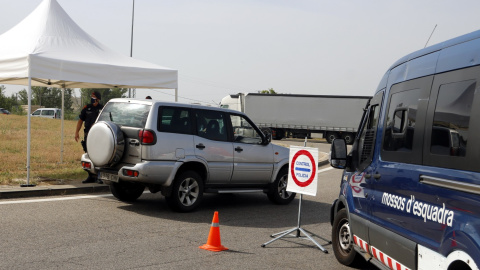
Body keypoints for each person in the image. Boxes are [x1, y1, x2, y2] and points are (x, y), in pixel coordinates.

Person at [75, 91, 104, 184]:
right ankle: (91, 176)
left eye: (94, 97)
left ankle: (99, 176)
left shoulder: (102, 109)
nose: (92, 98)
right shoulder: (87, 108)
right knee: (89, 155)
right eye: (91, 97)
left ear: (98, 99)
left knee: (99, 155)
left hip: (99, 135)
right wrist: (76, 132)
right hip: (88, 134)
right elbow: (80, 120)